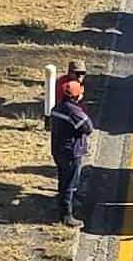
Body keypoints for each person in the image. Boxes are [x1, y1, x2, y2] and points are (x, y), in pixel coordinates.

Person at [49, 79, 93, 227]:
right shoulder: (74, 111)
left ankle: (62, 207)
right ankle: (67, 216)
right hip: (71, 151)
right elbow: (88, 127)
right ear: (75, 96)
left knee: (63, 180)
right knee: (70, 183)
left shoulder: (57, 108)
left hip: (58, 150)